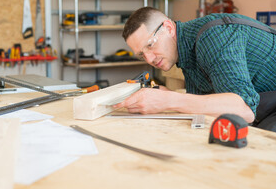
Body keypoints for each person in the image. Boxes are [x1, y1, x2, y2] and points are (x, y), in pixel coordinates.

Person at [114, 7, 276, 132]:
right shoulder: (185, 51)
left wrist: (168, 100)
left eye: (150, 45)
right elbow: (206, 104)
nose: (149, 59)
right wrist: (165, 94)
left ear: (169, 28)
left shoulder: (213, 38)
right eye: (142, 54)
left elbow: (244, 110)